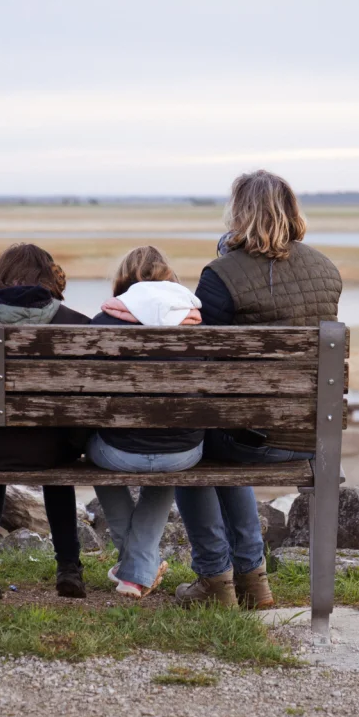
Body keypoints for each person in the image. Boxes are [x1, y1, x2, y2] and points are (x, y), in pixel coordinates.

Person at [175, 170, 342, 610]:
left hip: (250, 439)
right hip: (310, 438)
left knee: (187, 445)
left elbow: (198, 361)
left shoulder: (221, 275)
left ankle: (216, 579)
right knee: (233, 437)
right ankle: (254, 582)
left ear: (239, 212)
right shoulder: (326, 268)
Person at [0, 243, 91, 600]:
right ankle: (69, 567)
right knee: (56, 454)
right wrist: (78, 441)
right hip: (53, 450)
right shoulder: (77, 325)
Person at [88, 246, 205, 598]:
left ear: (124, 280)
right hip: (183, 452)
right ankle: (137, 571)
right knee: (169, 448)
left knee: (91, 453)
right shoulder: (200, 322)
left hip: (116, 452)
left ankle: (136, 569)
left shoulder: (103, 323)